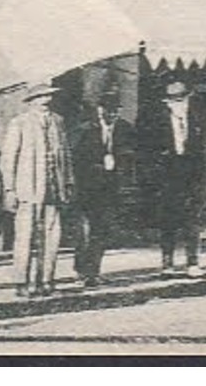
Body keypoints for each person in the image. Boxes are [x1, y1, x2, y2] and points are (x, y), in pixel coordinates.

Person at [0, 83, 74, 296]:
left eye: (48, 97)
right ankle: (22, 282)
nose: (45, 101)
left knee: (52, 236)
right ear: (31, 102)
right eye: (40, 98)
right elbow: (8, 159)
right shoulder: (19, 123)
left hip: (53, 188)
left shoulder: (58, 122)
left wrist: (68, 182)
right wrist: (9, 189)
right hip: (27, 188)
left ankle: (46, 280)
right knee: (25, 236)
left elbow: (66, 156)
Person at [142, 79, 206, 279]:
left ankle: (192, 262)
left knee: (193, 221)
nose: (176, 104)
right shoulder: (156, 120)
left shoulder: (198, 118)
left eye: (180, 99)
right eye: (171, 100)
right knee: (168, 221)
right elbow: (147, 151)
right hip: (167, 176)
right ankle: (167, 265)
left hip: (192, 175)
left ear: (188, 98)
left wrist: (204, 177)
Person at [71, 85, 134, 287]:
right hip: (86, 188)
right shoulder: (86, 129)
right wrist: (96, 166)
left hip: (109, 188)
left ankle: (93, 272)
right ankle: (81, 270)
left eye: (115, 111)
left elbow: (130, 155)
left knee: (102, 230)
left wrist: (119, 162)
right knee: (85, 231)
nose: (112, 115)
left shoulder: (124, 128)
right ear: (99, 110)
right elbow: (75, 159)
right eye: (108, 110)